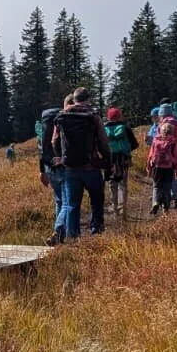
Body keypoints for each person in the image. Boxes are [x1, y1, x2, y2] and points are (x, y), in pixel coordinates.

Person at [51, 87, 112, 239]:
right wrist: (107, 159)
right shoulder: (92, 115)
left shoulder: (61, 116)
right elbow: (103, 141)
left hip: (70, 168)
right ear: (88, 99)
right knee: (97, 200)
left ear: (74, 98)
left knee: (72, 205)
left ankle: (73, 237)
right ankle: (96, 231)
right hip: (91, 165)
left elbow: (54, 140)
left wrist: (61, 156)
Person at [147, 112, 177, 215]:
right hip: (169, 168)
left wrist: (149, 168)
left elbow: (150, 156)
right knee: (166, 187)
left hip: (157, 167)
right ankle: (165, 209)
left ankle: (155, 202)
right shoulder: (173, 142)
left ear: (160, 131)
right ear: (172, 132)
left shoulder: (155, 141)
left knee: (156, 186)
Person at [37, 104, 65, 245]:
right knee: (67, 202)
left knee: (59, 201)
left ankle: (60, 235)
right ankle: (58, 231)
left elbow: (41, 150)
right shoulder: (62, 123)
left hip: (49, 167)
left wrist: (42, 171)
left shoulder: (44, 128)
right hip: (62, 166)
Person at [104, 107, 138, 218]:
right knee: (123, 184)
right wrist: (126, 151)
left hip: (110, 159)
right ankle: (123, 208)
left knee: (112, 183)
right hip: (123, 159)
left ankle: (114, 209)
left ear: (108, 117)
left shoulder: (104, 128)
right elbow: (135, 144)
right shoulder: (125, 127)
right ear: (119, 116)